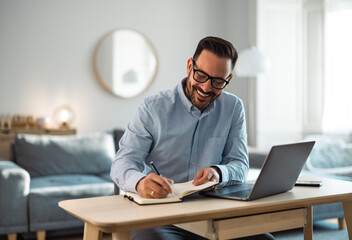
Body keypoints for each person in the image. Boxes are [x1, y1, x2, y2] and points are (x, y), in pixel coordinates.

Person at [111, 36, 275, 240]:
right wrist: (140, 182)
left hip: (213, 213)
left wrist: (218, 172)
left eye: (217, 81)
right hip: (159, 216)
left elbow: (241, 165)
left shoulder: (233, 108)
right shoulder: (153, 108)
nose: (206, 88)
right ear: (190, 66)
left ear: (228, 79)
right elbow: (122, 163)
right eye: (201, 76)